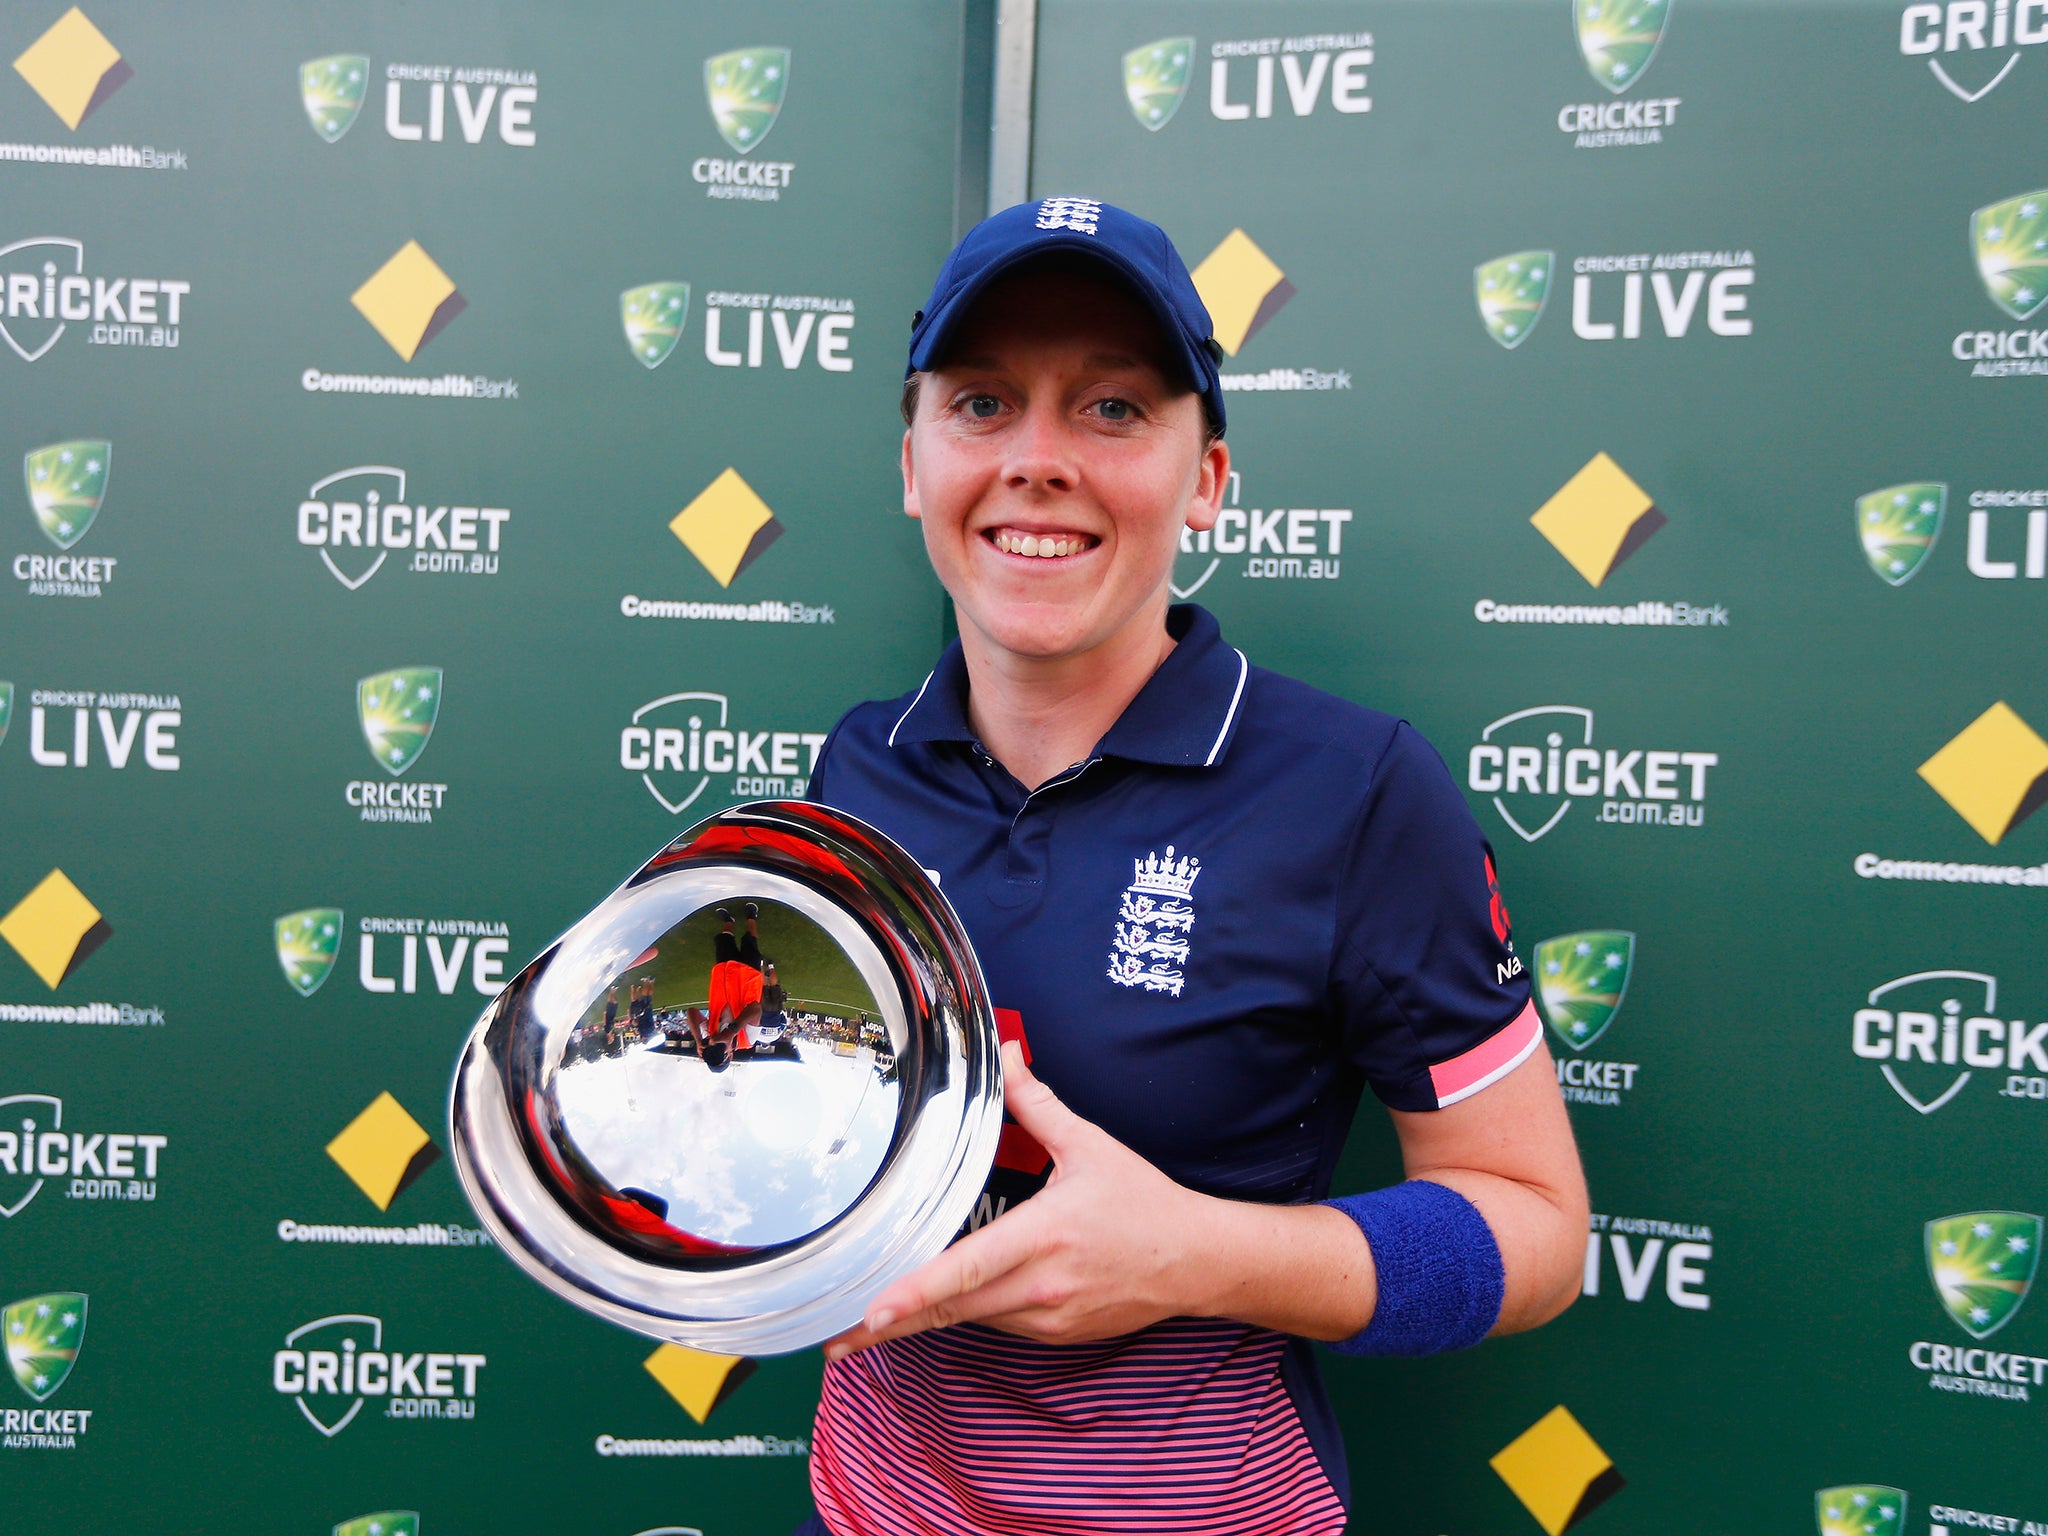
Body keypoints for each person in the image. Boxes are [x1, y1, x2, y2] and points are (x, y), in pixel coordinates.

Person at [791, 200, 1589, 1536]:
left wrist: (1189, 1254)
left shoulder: (1358, 790)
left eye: (1112, 409)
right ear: (912, 462)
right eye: (983, 404)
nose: (1037, 460)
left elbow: (1539, 1234)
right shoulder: (855, 774)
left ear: (1209, 477)